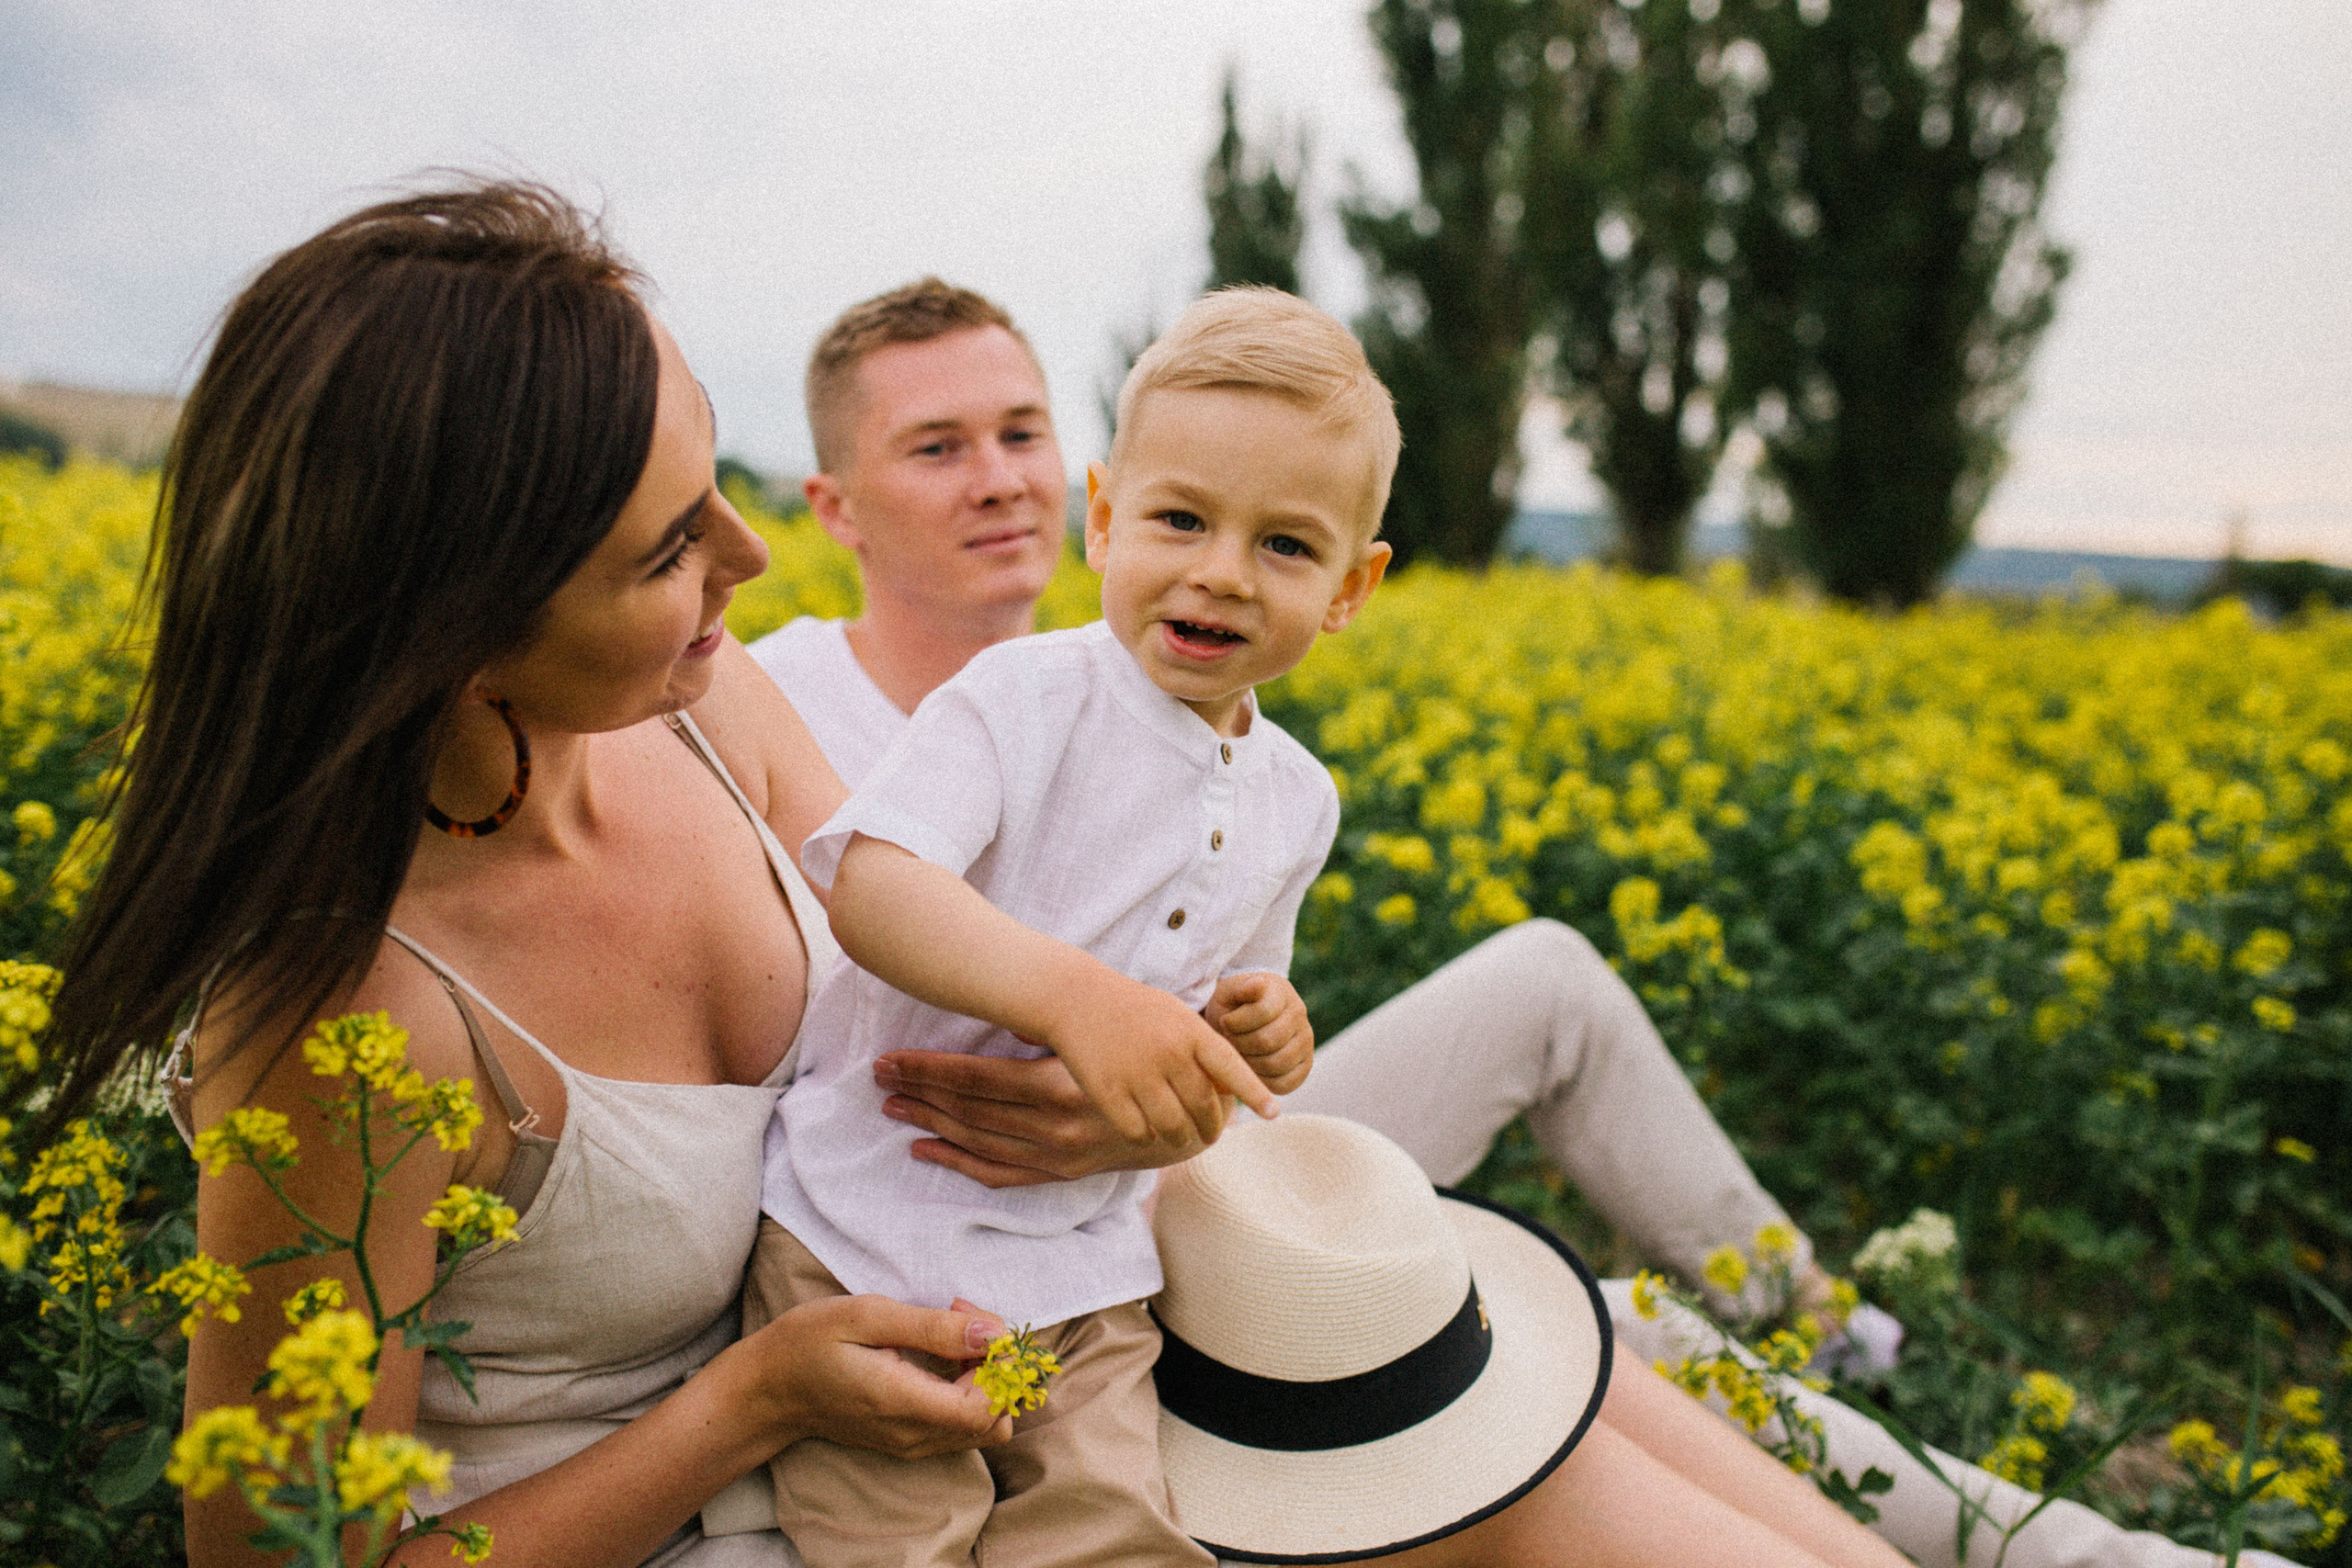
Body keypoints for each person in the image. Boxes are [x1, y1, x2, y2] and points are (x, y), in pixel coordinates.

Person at [749, 278, 2280, 1568]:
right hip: (928, 1192)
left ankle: (1992, 1462)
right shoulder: (794, 695)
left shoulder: (1249, 758)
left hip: (1166, 1193)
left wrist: (1209, 1072)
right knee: (1568, 1336)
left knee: (1558, 1200)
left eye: (1021, 429)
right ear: (832, 505)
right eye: (937, 446)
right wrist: (1079, 1055)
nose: (999, 475)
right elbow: (803, 975)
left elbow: (1225, 995)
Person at [41, 183, 1021, 1568]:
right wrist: (750, 1403)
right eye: (671, 549)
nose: (748, 561)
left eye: (715, 490)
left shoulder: (697, 690)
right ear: (461, 635)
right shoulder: (347, 1023)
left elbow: (916, 937)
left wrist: (1074, 1092)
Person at [746, 288, 1385, 1567]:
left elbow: (1223, 1005)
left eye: (1286, 547)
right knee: (895, 1540)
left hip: (1086, 1268)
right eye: (1181, 520)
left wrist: (1266, 1037)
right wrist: (1077, 1002)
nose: (1219, 571)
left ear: (1353, 588)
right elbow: (873, 885)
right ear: (1106, 518)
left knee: (1113, 1534)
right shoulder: (1021, 698)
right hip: (874, 1230)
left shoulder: (1296, 798)